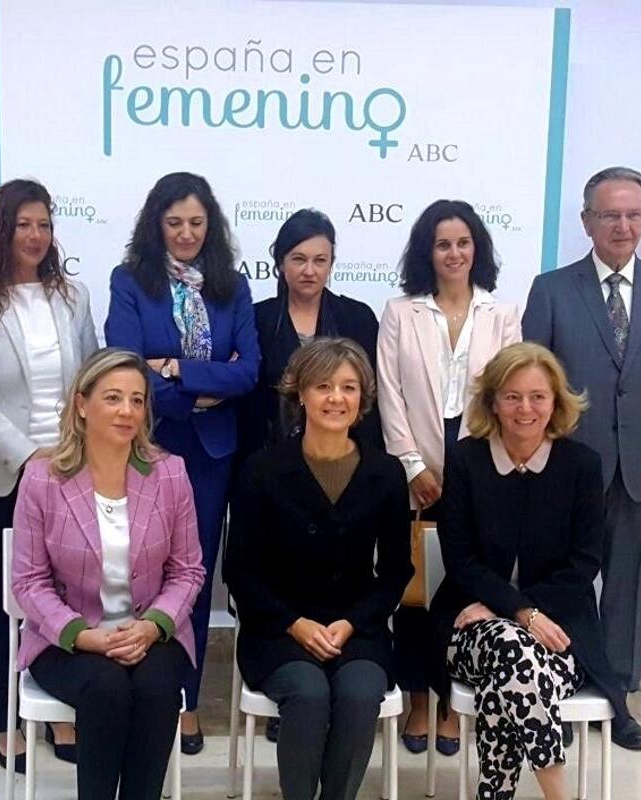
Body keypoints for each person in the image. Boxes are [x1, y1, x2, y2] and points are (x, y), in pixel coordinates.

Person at [521, 166, 641, 749]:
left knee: (628, 588)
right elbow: (531, 383)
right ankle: (559, 691)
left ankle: (617, 700)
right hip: (568, 469)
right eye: (610, 214)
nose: (623, 226)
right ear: (586, 221)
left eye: (633, 214)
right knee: (563, 587)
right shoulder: (551, 288)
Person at [430, 342, 632, 800]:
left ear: (556, 402)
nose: (526, 408)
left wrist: (526, 612)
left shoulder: (582, 466)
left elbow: (584, 563)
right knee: (511, 648)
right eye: (512, 396)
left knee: (513, 669)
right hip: (468, 625)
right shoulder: (466, 459)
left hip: (560, 629)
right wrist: (520, 614)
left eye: (538, 396)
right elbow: (461, 559)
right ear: (493, 403)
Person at [104, 171, 260, 753]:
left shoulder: (231, 286)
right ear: (156, 226)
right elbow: (125, 366)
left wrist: (175, 370)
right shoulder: (129, 281)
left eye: (196, 223)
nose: (187, 233)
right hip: (146, 448)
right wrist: (192, 390)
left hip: (213, 455)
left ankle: (185, 704)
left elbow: (248, 373)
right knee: (139, 576)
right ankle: (138, 694)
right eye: (175, 223)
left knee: (190, 582)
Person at [0, 178, 99, 769]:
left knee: (71, 600)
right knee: (2, 601)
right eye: (23, 224)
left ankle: (62, 715)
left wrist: (71, 455)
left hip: (71, 474)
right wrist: (29, 456)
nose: (36, 236)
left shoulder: (72, 295)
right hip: (2, 482)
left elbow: (90, 380)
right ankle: (5, 720)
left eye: (44, 224)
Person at [11, 348, 205, 800]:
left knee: (157, 688)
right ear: (82, 404)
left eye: (138, 400)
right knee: (106, 687)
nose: (127, 411)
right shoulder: (42, 477)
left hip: (152, 632)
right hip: (67, 638)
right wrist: (82, 635)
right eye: (114, 398)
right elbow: (28, 582)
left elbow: (188, 570)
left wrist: (152, 626)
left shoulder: (169, 473)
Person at [226, 338, 412, 800]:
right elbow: (241, 572)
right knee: (308, 695)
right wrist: (294, 623)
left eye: (348, 387)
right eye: (324, 386)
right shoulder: (261, 470)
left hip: (357, 626)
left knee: (358, 693)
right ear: (300, 394)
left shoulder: (386, 473)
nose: (336, 398)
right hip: (278, 628)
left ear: (362, 399)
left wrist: (352, 622)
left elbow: (394, 572)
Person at [376, 199, 521, 755]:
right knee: (415, 590)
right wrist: (412, 465)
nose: (454, 253)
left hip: (482, 468)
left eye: (463, 243)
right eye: (443, 244)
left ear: (477, 248)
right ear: (427, 252)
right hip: (417, 471)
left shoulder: (501, 314)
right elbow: (388, 393)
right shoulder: (400, 312)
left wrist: (481, 469)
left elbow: (509, 393)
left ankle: (451, 702)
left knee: (464, 586)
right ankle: (417, 699)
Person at [243, 208, 382, 457]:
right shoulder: (255, 319)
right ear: (281, 263)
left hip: (346, 457)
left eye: (320, 260)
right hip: (270, 461)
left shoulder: (357, 318)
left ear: (331, 264)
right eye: (299, 259)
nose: (309, 271)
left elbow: (372, 402)